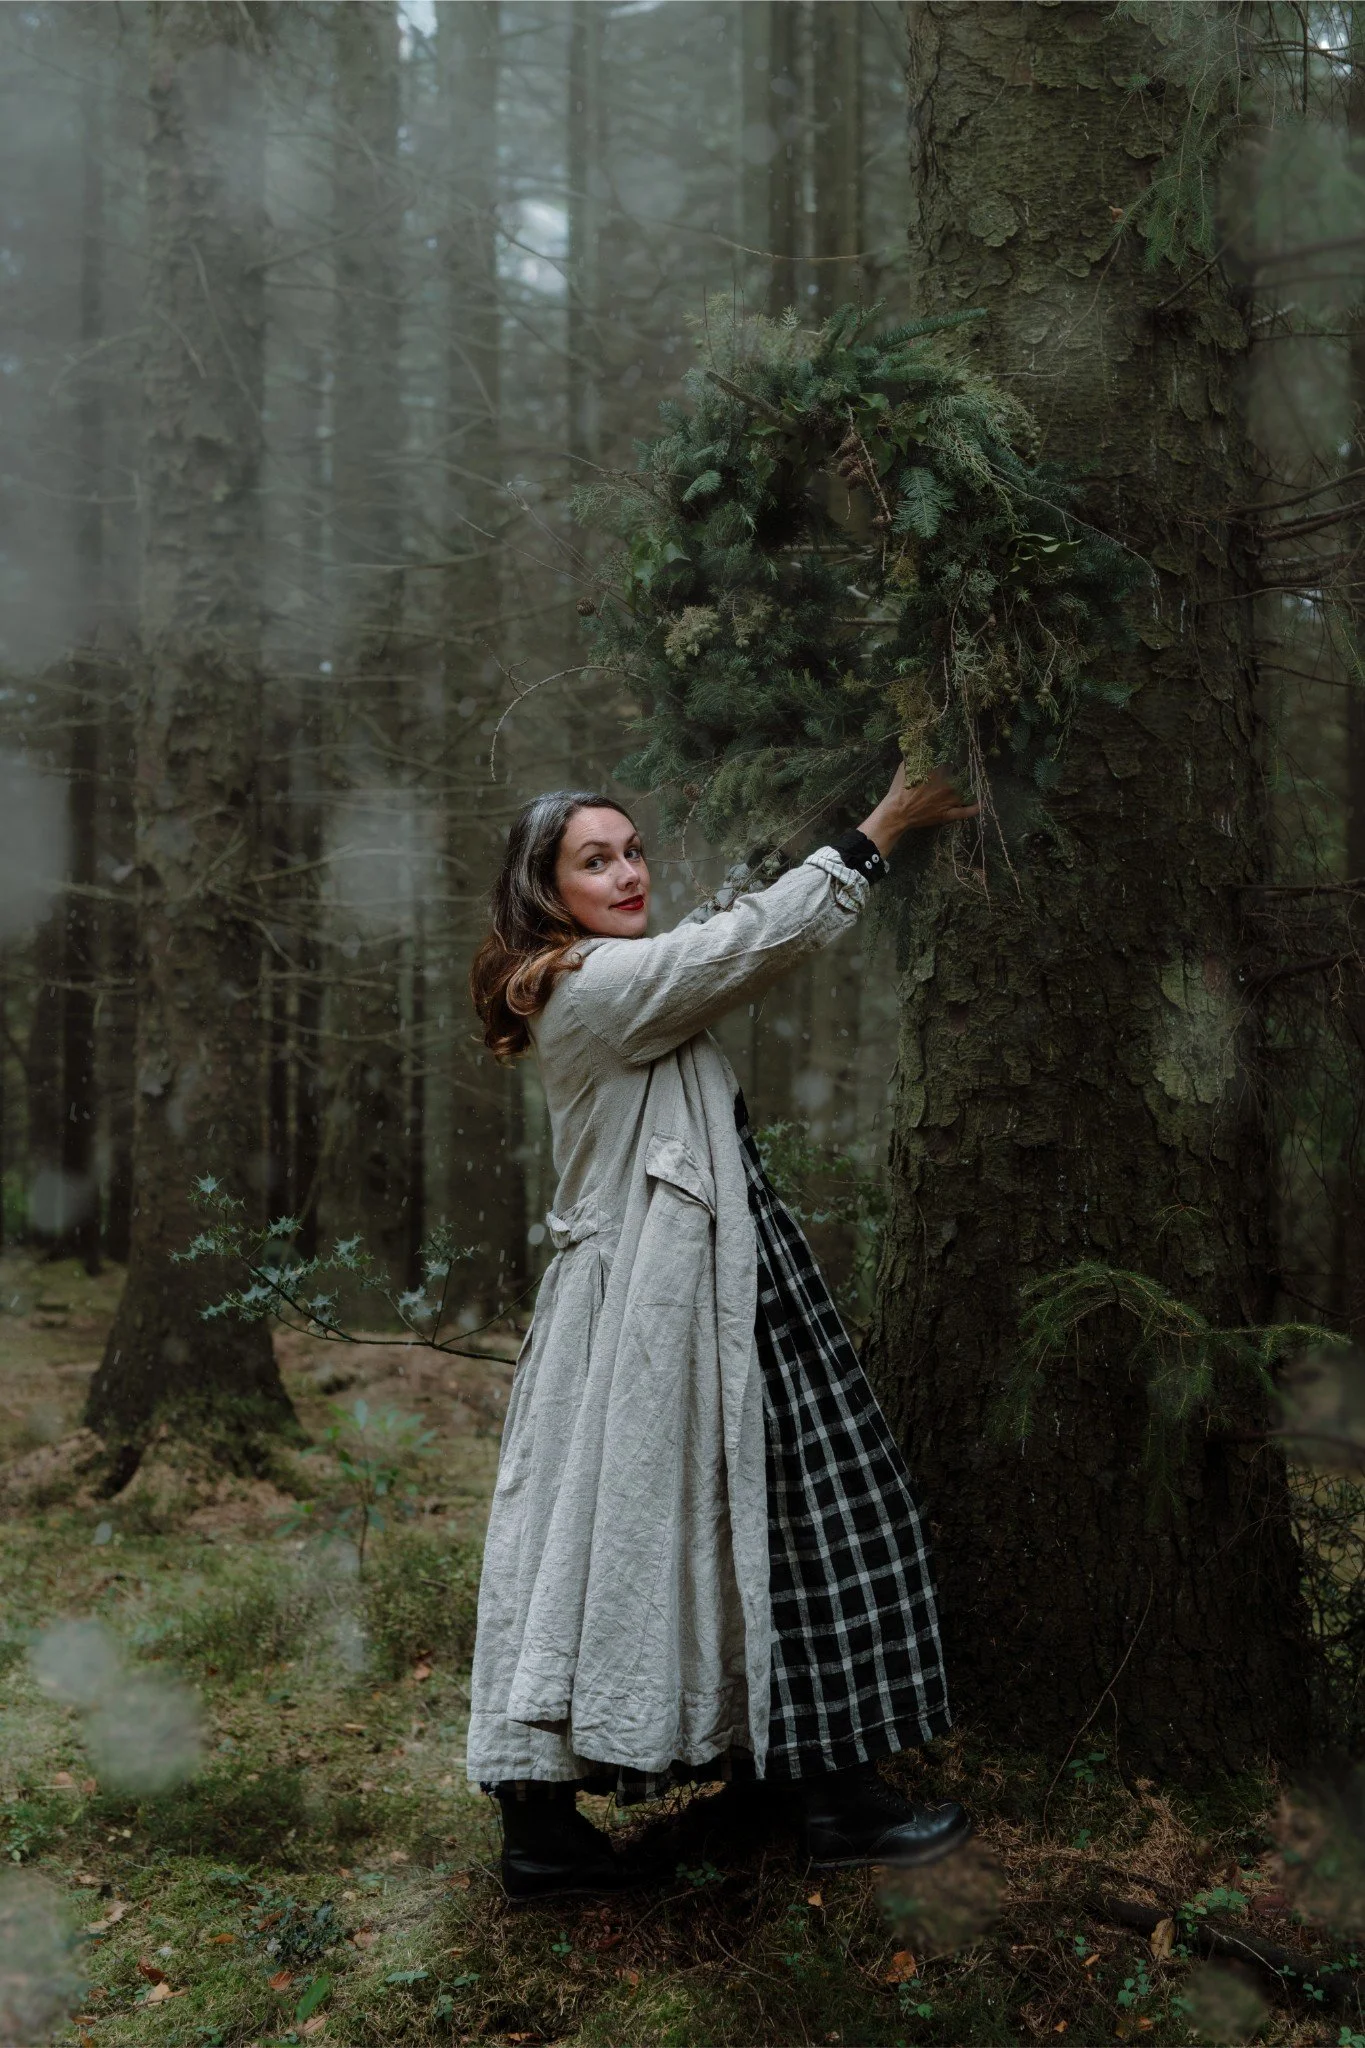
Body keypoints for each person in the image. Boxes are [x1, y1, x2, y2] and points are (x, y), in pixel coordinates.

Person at [466, 762, 979, 1901]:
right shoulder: (589, 984)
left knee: (704, 1534)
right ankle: (802, 1807)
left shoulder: (617, 976)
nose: (628, 869)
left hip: (693, 1286)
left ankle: (774, 1798)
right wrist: (877, 827)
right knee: (621, 1547)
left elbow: (711, 934)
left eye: (633, 848)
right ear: (545, 894)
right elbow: (735, 947)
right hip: (641, 1307)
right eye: (594, 860)